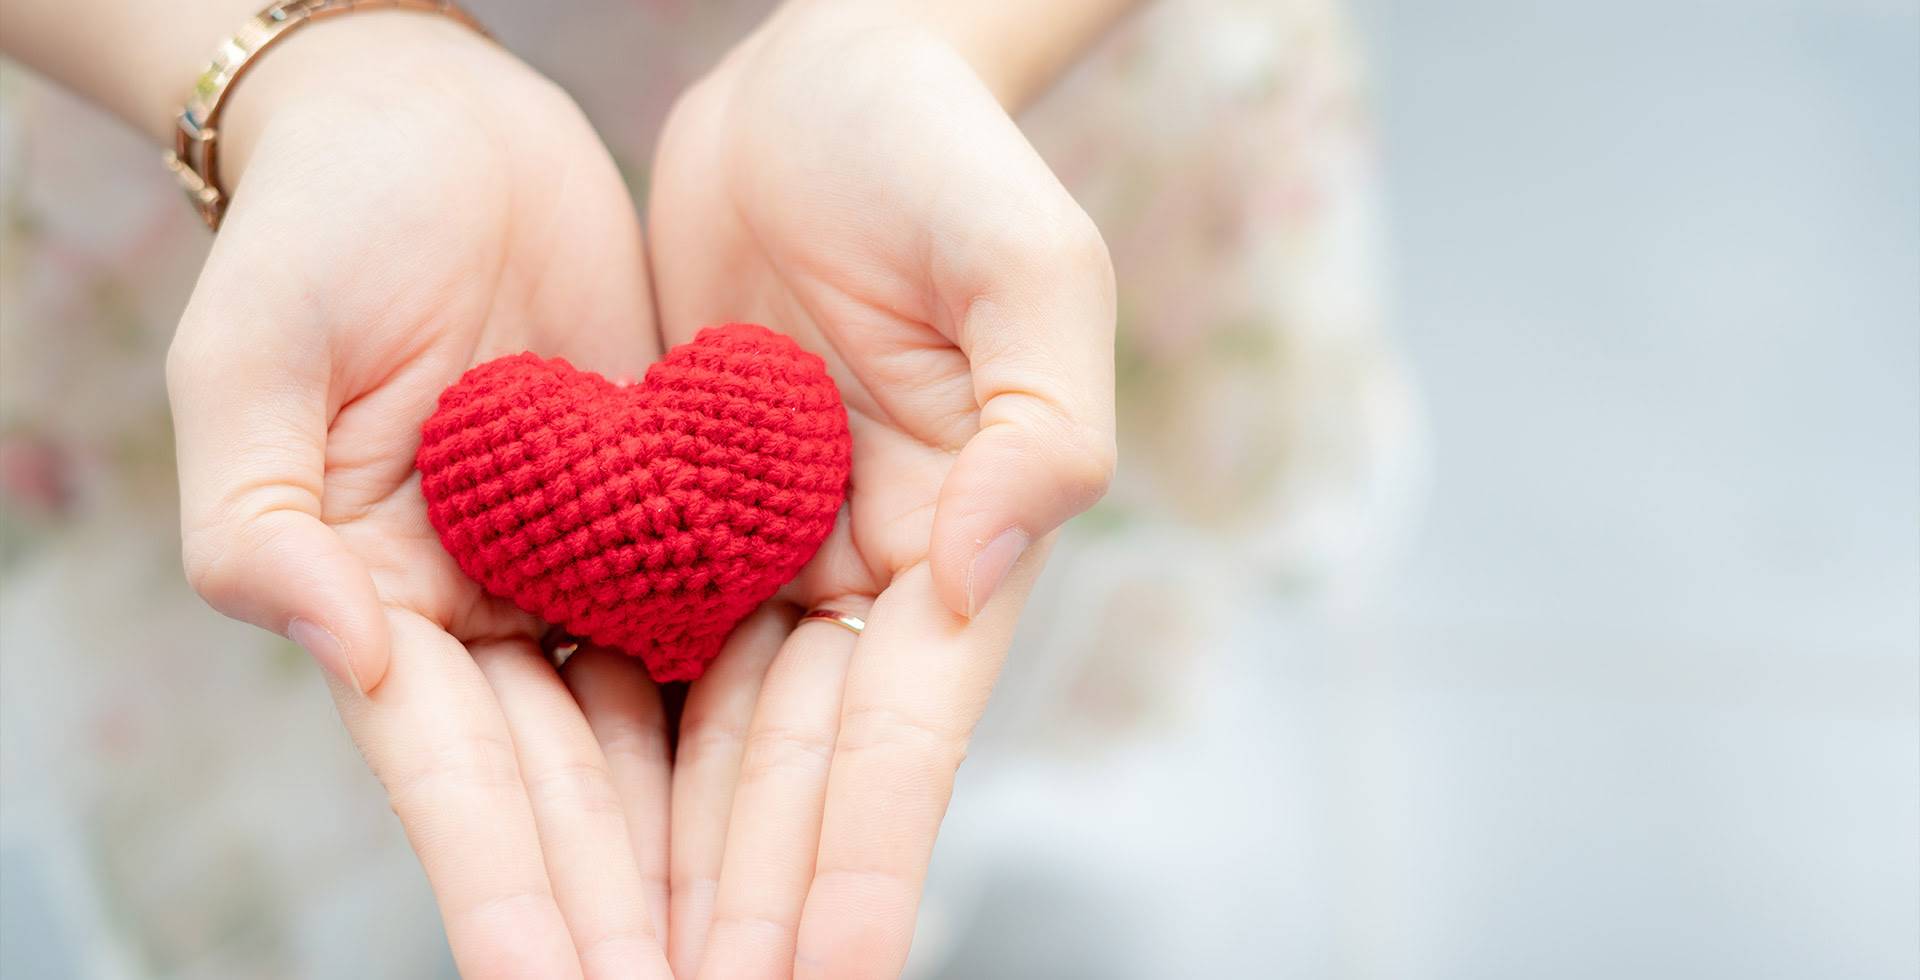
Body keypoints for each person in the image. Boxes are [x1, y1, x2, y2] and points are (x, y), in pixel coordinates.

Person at [1, 0, 1134, 976]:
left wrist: (922, 34)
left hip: (957, 133)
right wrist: (281, 77)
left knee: (909, 745)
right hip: (188, 105)